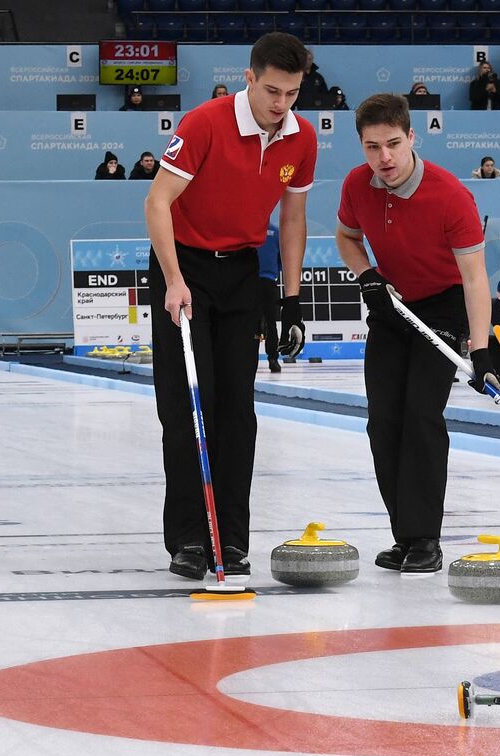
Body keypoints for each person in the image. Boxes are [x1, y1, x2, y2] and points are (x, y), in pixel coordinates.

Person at [143, 32, 316, 580]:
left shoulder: (301, 137)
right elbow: (157, 202)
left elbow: (291, 219)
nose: (280, 104)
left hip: (242, 271)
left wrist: (290, 298)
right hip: (185, 267)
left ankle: (231, 539)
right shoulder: (205, 123)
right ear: (249, 77)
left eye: (291, 93)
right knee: (188, 406)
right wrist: (173, 279)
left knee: (237, 412)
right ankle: (190, 539)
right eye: (271, 90)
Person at [336, 92, 491, 575]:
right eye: (371, 146)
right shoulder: (357, 185)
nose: (383, 157)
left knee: (421, 414)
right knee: (384, 420)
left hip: (442, 306)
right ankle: (405, 535)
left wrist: (481, 349)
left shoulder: (450, 195)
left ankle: (426, 538)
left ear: (412, 138)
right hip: (392, 304)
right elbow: (346, 237)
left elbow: (474, 278)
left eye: (393, 144)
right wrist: (367, 276)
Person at [257, 220, 282, 373]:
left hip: (249, 281)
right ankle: (273, 358)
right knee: (271, 322)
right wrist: (272, 272)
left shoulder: (250, 229)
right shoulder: (276, 231)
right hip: (268, 281)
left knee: (247, 322)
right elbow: (281, 259)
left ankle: (247, 359)